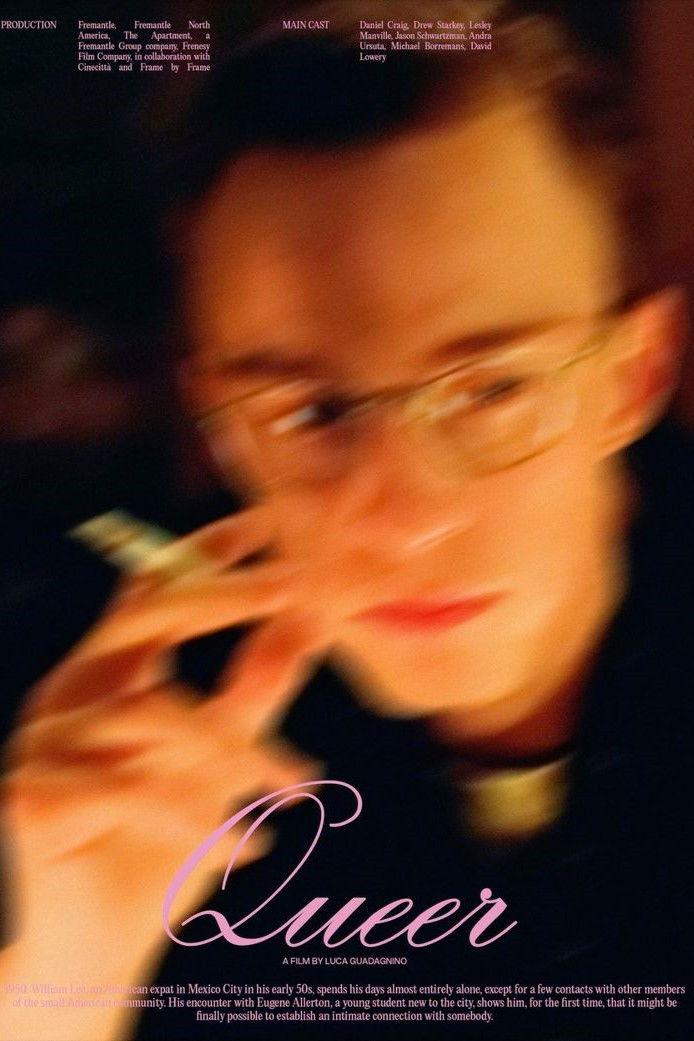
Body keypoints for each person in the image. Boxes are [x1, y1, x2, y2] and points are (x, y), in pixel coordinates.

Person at [1, 3, 692, 1039]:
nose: (403, 523)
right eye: (311, 413)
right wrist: (71, 968)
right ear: (221, 424)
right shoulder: (102, 727)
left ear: (633, 375)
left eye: (492, 390)